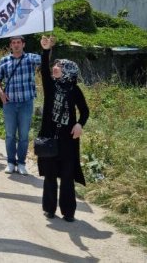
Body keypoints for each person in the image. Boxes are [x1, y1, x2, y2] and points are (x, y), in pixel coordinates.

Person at [38, 36, 89, 221]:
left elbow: (84, 111)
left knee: (67, 177)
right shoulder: (51, 86)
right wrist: (45, 51)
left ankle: (68, 212)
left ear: (68, 70)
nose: (55, 67)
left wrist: (79, 124)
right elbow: (44, 69)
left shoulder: (75, 90)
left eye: (60, 66)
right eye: (55, 65)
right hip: (50, 137)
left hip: (68, 139)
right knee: (50, 176)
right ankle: (49, 209)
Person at [0, 36, 42, 175]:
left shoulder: (31, 58)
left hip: (26, 103)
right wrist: (1, 93)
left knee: (24, 135)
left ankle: (21, 163)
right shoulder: (4, 60)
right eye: (13, 43)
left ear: (23, 44)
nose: (16, 45)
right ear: (10, 45)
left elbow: (45, 61)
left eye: (18, 42)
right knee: (9, 134)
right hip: (9, 103)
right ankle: (10, 162)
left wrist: (46, 47)